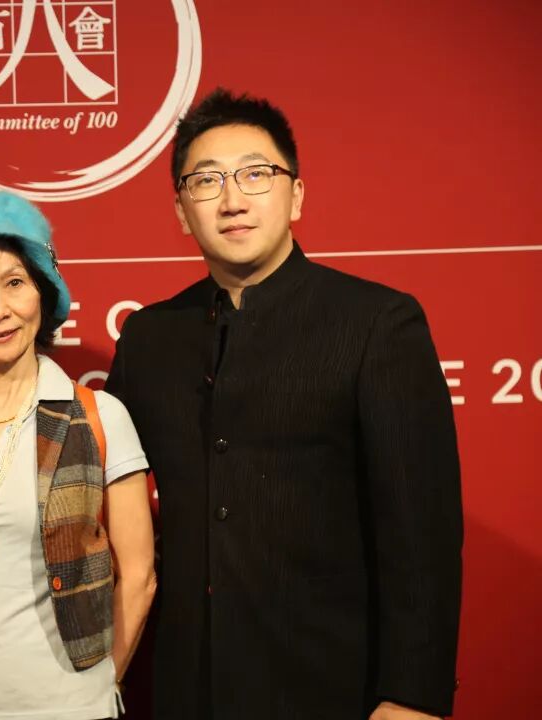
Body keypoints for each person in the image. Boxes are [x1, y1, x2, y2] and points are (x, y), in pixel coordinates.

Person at [106, 88, 463, 720]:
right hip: (187, 687)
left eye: (255, 174)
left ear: (296, 195)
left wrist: (411, 695)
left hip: (332, 685)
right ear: (182, 211)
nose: (232, 199)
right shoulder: (149, 338)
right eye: (206, 181)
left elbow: (422, 532)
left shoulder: (377, 323)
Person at [0, 191, 157, 720]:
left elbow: (139, 575)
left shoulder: (101, 416)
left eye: (15, 283)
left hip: (73, 707)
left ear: (44, 291)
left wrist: (103, 683)